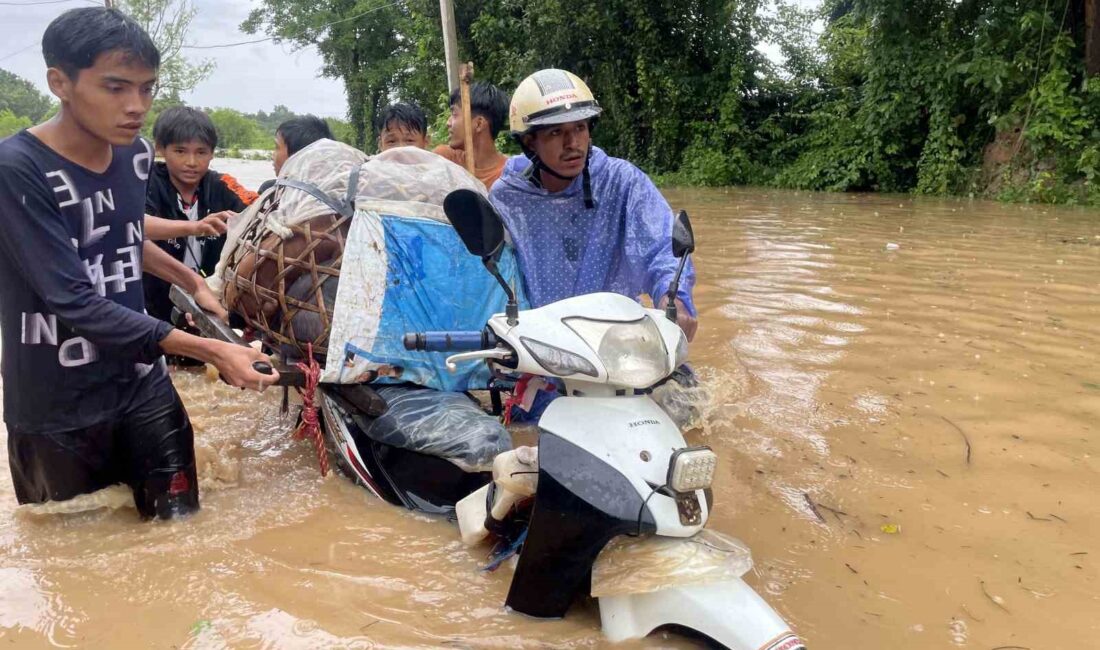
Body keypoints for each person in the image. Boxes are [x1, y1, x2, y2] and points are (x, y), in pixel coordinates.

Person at [0, 7, 277, 520]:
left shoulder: (136, 156)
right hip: (58, 409)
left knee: (181, 536)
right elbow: (73, 300)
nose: (136, 106)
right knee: (78, 570)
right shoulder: (17, 169)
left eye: (147, 89)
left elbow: (122, 238)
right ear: (60, 82)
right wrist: (210, 350)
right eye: (115, 88)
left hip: (143, 387)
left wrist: (193, 282)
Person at [488, 69, 698, 421]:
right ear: (529, 142)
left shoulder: (622, 181)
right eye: (556, 132)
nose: (573, 143)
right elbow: (493, 275)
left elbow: (660, 244)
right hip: (545, 351)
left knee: (690, 414)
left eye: (580, 128)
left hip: (618, 344)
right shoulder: (506, 198)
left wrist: (672, 296)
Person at [143, 106, 258, 322]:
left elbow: (260, 209)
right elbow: (131, 226)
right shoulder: (146, 182)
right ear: (160, 148)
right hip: (152, 305)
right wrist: (194, 227)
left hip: (210, 298)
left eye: (201, 152)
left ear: (212, 153)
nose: (192, 162)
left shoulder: (223, 184)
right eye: (180, 151)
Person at [432, 82, 510, 189]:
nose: (448, 123)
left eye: (454, 114)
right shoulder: (444, 160)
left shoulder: (511, 176)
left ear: (478, 124)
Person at [258, 115, 333, 193]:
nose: (272, 156)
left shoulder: (271, 192)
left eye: (277, 147)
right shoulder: (337, 194)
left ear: (297, 155)